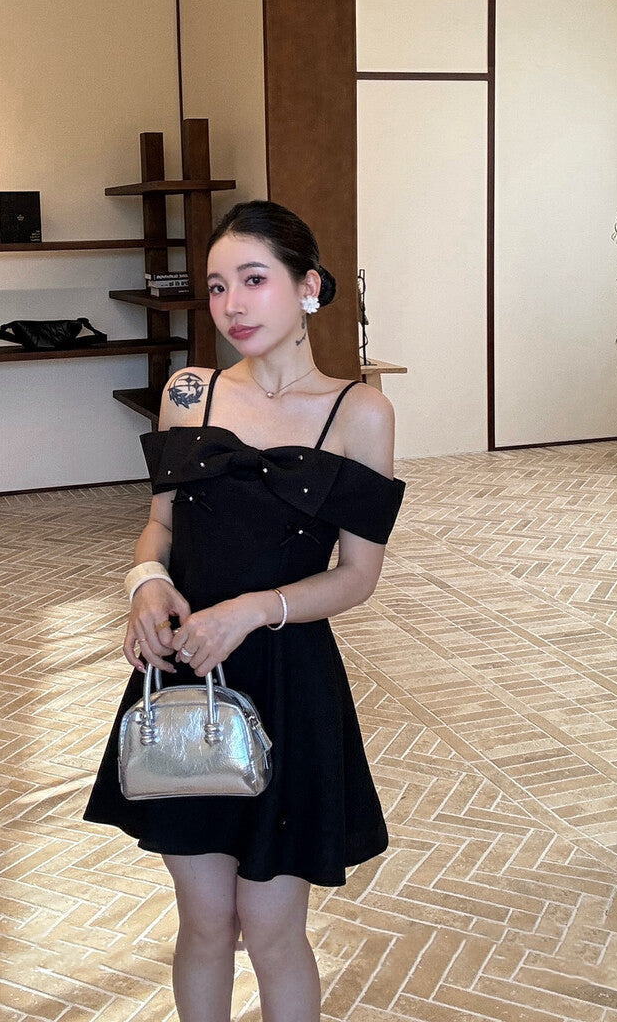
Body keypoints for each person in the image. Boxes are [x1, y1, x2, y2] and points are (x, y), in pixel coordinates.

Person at [85, 199, 406, 1022]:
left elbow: (357, 577)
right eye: (218, 286)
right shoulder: (188, 393)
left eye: (254, 280)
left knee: (271, 929)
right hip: (185, 677)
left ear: (309, 287)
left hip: (289, 682)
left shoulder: (359, 412)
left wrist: (253, 610)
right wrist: (144, 584)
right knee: (203, 922)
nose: (232, 304)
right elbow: (159, 528)